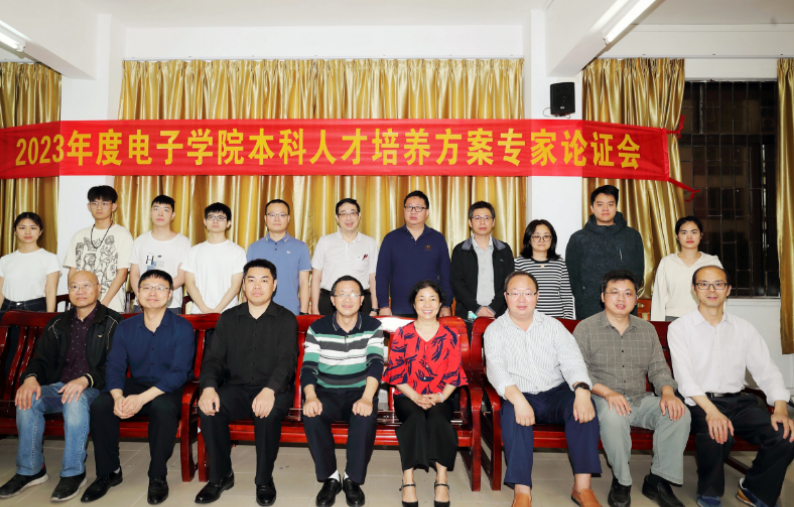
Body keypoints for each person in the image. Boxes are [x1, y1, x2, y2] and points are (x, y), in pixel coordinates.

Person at [668, 265, 794, 507]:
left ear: (728, 290)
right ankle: (709, 490)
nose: (711, 289)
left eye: (719, 284)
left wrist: (780, 409)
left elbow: (767, 371)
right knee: (717, 431)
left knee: (785, 435)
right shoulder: (680, 328)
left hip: (739, 402)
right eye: (704, 284)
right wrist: (712, 411)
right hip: (699, 402)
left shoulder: (744, 328)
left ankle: (753, 489)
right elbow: (685, 380)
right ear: (694, 289)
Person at [0, 271, 122, 502]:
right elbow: (41, 359)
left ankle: (73, 472)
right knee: (28, 397)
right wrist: (30, 377)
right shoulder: (57, 323)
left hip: (96, 389)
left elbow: (116, 365)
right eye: (74, 286)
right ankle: (31, 469)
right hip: (59, 386)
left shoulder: (114, 322)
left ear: (98, 289)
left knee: (74, 398)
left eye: (87, 286)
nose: (80, 291)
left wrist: (86, 379)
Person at [484, 271, 602, 507]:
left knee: (583, 407)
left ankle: (582, 488)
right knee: (513, 414)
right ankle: (522, 492)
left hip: (556, 393)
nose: (521, 299)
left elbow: (573, 361)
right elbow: (496, 370)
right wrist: (518, 400)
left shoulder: (553, 326)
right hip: (521, 393)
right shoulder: (495, 330)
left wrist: (582, 391)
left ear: (537, 296)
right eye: (515, 293)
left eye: (528, 293)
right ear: (506, 297)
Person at [573, 270, 690, 507]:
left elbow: (658, 368)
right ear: (603, 296)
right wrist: (608, 393)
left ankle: (657, 480)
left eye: (628, 293)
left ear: (636, 299)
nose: (621, 298)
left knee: (679, 413)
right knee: (614, 415)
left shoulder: (646, 330)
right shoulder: (586, 328)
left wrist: (668, 392)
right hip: (603, 398)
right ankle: (622, 481)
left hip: (640, 399)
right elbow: (578, 371)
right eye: (614, 292)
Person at [82, 270, 195, 505]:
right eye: (146, 287)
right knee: (101, 404)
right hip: (137, 383)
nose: (153, 293)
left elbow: (179, 373)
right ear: (138, 294)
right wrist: (117, 397)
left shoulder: (182, 327)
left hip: (169, 388)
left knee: (163, 407)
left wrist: (141, 399)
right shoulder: (125, 327)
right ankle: (109, 472)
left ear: (170, 295)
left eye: (160, 288)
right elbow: (114, 367)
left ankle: (157, 475)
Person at [195, 259, 298, 506]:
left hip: (274, 389)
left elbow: (287, 362)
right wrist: (208, 388)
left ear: (274, 285)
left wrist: (270, 390)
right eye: (251, 280)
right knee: (209, 408)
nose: (257, 286)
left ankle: (264, 480)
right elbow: (213, 359)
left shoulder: (286, 319)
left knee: (267, 412)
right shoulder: (229, 318)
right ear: (243, 284)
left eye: (264, 280)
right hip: (236, 388)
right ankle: (221, 476)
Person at [383, 280, 467, 507]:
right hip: (407, 396)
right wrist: (415, 396)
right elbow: (395, 373)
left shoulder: (450, 335)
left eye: (432, 299)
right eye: (421, 299)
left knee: (439, 418)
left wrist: (440, 397)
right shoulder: (402, 334)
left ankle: (442, 478)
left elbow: (454, 374)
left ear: (440, 304)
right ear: (414, 304)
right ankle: (408, 477)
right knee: (416, 417)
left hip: (441, 396)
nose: (427, 304)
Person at [302, 275, 384, 507]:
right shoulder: (317, 328)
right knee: (312, 414)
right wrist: (310, 396)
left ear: (361, 300)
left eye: (353, 294)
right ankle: (330, 477)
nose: (348, 299)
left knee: (364, 416)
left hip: (359, 391)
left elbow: (376, 364)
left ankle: (352, 479)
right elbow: (309, 368)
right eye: (342, 294)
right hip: (326, 392)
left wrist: (367, 398)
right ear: (333, 299)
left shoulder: (372, 326)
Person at [565, 185, 644, 320]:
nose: (605, 209)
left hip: (624, 304)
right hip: (590, 307)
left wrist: (627, 295)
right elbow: (572, 276)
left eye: (610, 204)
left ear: (616, 206)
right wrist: (583, 298)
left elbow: (638, 271)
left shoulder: (632, 236)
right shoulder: (579, 239)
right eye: (600, 204)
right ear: (592, 207)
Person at [376, 191, 453, 318]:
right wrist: (383, 305)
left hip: (430, 309)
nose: (413, 212)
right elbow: (382, 276)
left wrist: (446, 305)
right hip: (399, 309)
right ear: (404, 210)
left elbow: (446, 276)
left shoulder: (437, 239)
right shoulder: (391, 239)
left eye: (418, 208)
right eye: (409, 207)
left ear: (427, 212)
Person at [0, 212, 60, 374]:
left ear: (40, 231)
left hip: (35, 310)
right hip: (7, 311)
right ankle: (8, 388)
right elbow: (1, 292)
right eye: (22, 227)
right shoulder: (5, 260)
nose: (27, 232)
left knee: (31, 356)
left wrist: (48, 318)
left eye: (33, 228)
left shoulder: (49, 258)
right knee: (7, 355)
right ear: (15, 231)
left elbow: (50, 290)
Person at [63, 186, 134, 313]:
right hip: (82, 306)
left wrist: (102, 305)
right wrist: (75, 299)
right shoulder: (79, 235)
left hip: (111, 307)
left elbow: (122, 273)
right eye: (95, 203)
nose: (99, 207)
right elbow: (72, 271)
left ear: (113, 206)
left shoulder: (123, 235)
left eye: (104, 203)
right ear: (89, 206)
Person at [310, 198, 379, 316]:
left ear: (359, 216)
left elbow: (373, 278)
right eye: (343, 214)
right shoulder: (325, 242)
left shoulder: (369, 243)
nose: (348, 218)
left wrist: (375, 308)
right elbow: (316, 278)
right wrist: (315, 310)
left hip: (361, 302)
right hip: (329, 302)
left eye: (352, 213)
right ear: (337, 218)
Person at [450, 201, 514, 327]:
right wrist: (477, 308)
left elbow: (509, 282)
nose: (482, 222)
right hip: (468, 314)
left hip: (498, 314)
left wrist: (493, 308)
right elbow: (456, 283)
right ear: (470, 222)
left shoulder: (504, 250)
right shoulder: (460, 250)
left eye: (486, 218)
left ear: (493, 222)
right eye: (477, 218)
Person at [650, 216, 722, 322]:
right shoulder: (667, 262)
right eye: (684, 232)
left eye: (694, 232)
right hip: (672, 320)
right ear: (677, 236)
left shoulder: (712, 262)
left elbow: (720, 295)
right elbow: (658, 298)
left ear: (701, 235)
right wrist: (657, 326)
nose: (689, 236)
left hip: (704, 318)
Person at [247, 199, 311, 316]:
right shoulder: (254, 247)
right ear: (265, 218)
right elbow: (248, 282)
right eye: (272, 215)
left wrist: (303, 312)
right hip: (258, 312)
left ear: (288, 218)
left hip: (291, 311)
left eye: (282, 215)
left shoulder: (300, 247)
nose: (277, 219)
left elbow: (304, 282)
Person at [130, 195, 192, 314]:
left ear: (173, 215)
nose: (160, 213)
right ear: (150, 213)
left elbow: (182, 276)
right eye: (156, 209)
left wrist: (159, 293)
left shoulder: (183, 242)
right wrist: (142, 294)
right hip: (142, 303)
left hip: (170, 304)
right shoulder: (140, 241)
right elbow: (134, 273)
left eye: (166, 210)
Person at [183, 202, 247, 314]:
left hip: (228, 313)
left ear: (228, 223)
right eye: (211, 217)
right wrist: (205, 310)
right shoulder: (193, 251)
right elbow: (189, 284)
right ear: (205, 222)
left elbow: (236, 286)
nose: (215, 221)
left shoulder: (237, 251)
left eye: (221, 218)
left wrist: (216, 311)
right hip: (199, 312)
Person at [514, 219, 574, 319]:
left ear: (552, 239)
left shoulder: (560, 264)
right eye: (536, 236)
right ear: (529, 239)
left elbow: (566, 298)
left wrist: (567, 322)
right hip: (529, 320)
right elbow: (515, 296)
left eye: (546, 236)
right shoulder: (519, 263)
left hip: (557, 321)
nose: (541, 240)